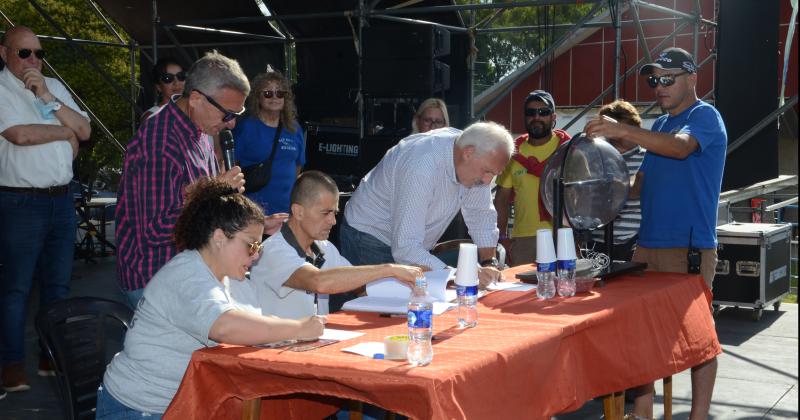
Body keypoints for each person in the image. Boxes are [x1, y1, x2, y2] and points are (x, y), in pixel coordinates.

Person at [96, 178, 325, 419]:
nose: (256, 255)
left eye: (259, 246)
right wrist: (299, 328)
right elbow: (225, 327)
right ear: (219, 237)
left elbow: (251, 325)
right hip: (141, 408)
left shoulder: (231, 278)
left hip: (187, 402)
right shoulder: (186, 274)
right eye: (251, 244)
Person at [585, 47, 725, 420]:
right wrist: (600, 189)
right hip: (647, 245)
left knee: (699, 341)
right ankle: (643, 413)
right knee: (640, 335)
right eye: (654, 80)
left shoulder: (704, 116)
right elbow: (641, 183)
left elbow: (681, 150)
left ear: (692, 78)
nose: (659, 86)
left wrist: (622, 130)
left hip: (688, 247)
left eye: (668, 78)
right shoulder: (660, 126)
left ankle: (697, 416)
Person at [115, 51, 252, 310]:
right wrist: (218, 189)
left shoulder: (199, 127)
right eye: (227, 114)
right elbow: (154, 230)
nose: (232, 124)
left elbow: (203, 212)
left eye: (237, 114)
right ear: (197, 98)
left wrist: (250, 224)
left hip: (185, 275)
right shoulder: (158, 141)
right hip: (153, 279)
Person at [0, 26, 91, 392]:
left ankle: (49, 355)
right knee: (16, 289)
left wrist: (48, 97)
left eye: (38, 54)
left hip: (61, 199)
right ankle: (11, 364)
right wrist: (60, 130)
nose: (33, 61)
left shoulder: (52, 88)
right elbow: (19, 136)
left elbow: (83, 130)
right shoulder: (1, 89)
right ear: (4, 53)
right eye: (24, 53)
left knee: (58, 286)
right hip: (20, 201)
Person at [340, 121, 512, 300]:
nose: (487, 181)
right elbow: (406, 248)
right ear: (468, 153)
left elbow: (481, 215)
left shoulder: (476, 157)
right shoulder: (421, 165)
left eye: (493, 175)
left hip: (408, 244)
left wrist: (489, 263)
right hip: (370, 238)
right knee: (375, 313)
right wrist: (459, 275)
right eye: (487, 172)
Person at [229, 171, 422, 318]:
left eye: (335, 213)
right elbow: (319, 282)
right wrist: (389, 269)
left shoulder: (324, 247)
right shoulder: (271, 252)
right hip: (276, 353)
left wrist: (417, 286)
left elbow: (359, 283)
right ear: (298, 212)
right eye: (325, 213)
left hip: (312, 347)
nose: (333, 221)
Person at [494, 90, 570, 266]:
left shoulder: (568, 150)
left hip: (562, 235)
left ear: (554, 117)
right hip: (524, 241)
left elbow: (582, 196)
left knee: (566, 290)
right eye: (531, 112)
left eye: (543, 112)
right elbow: (501, 200)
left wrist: (577, 235)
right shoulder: (512, 153)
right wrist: (503, 238)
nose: (536, 117)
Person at [233, 67, 304, 215]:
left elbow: (297, 167)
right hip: (253, 212)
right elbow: (231, 165)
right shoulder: (246, 127)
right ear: (258, 97)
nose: (274, 98)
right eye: (267, 93)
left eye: (279, 93)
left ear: (286, 98)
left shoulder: (294, 129)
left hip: (286, 211)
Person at [588, 100, 646, 261]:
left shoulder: (647, 157)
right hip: (598, 241)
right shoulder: (596, 156)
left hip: (634, 241)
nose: (616, 135)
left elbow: (640, 190)